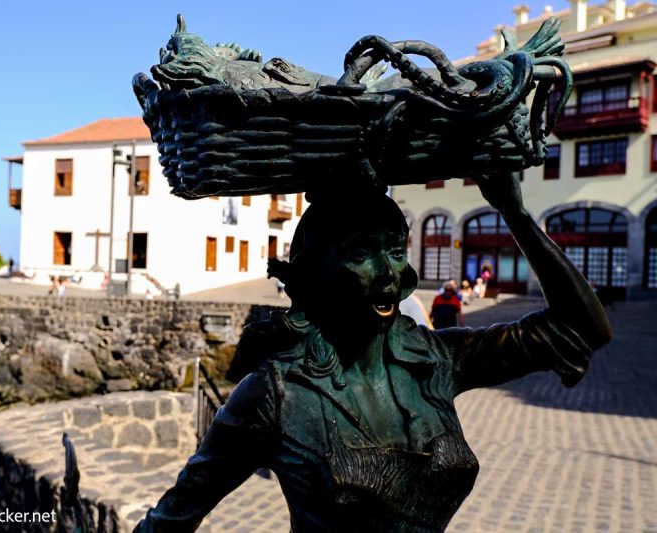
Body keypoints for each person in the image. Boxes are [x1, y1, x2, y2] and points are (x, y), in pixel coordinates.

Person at [135, 174, 611, 532]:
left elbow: (580, 327)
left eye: (396, 248)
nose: (390, 272)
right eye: (361, 252)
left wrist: (514, 211)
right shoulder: (275, 396)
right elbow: (173, 518)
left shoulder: (435, 359)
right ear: (316, 273)